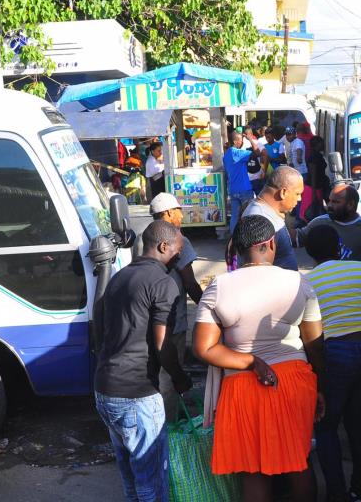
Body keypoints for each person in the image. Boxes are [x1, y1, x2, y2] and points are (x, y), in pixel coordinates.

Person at [193, 214, 326, 502]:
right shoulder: (298, 283)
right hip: (293, 382)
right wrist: (321, 386)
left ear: (237, 249)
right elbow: (315, 344)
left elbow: (204, 349)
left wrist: (251, 362)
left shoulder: (220, 287)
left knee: (253, 471)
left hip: (241, 385)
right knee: (298, 461)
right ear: (269, 245)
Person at [95, 220, 192, 502]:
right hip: (137, 395)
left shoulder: (119, 277)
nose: (181, 256)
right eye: (179, 250)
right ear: (164, 246)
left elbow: (101, 331)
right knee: (151, 482)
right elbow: (163, 346)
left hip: (105, 390)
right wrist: (179, 377)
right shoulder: (163, 284)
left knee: (131, 479)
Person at [304, 225, 361, 502]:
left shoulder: (308, 281)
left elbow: (309, 330)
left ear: (309, 253)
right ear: (339, 246)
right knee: (356, 420)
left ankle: (337, 494)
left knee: (326, 426)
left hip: (336, 351)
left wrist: (320, 373)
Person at [149, 193, 204, 422]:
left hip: (151, 317)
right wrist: (208, 307)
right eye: (179, 210)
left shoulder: (149, 237)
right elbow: (190, 281)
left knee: (157, 373)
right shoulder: (179, 239)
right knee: (171, 376)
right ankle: (168, 428)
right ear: (169, 213)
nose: (182, 214)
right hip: (174, 318)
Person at [292, 184, 361, 266]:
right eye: (329, 200)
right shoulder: (319, 222)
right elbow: (297, 238)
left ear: (351, 205)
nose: (329, 205)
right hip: (321, 283)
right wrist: (278, 217)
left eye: (335, 202)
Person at [242, 166, 304, 271]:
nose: (299, 199)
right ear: (283, 192)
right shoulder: (260, 219)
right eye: (297, 194)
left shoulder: (268, 213)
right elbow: (256, 271)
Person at [224, 130, 261, 233]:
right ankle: (248, 237)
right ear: (236, 141)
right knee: (248, 214)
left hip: (232, 190)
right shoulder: (238, 153)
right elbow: (257, 152)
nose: (242, 142)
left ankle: (233, 239)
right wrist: (250, 139)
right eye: (241, 140)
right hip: (244, 189)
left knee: (234, 216)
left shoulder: (226, 155)